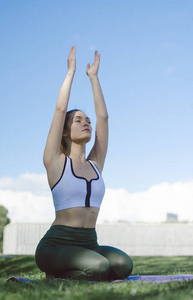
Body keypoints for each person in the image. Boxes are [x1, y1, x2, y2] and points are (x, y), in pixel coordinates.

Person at [35, 46, 133, 281]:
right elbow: (60, 110)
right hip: (56, 246)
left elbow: (104, 118)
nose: (86, 122)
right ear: (65, 132)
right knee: (99, 267)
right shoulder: (56, 163)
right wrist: (71, 73)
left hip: (89, 243)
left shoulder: (96, 163)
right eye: (78, 120)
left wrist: (94, 79)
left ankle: (69, 274)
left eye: (87, 120)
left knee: (123, 265)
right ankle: (55, 276)